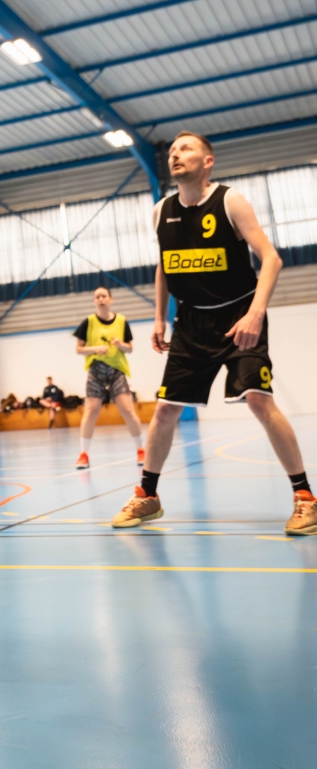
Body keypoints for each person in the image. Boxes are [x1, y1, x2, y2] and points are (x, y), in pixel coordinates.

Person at [112, 131, 317, 535]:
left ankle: (305, 498)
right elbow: (165, 265)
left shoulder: (229, 201)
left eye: (185, 149)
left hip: (239, 315)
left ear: (208, 161)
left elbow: (272, 259)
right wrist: (159, 317)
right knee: (166, 409)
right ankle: (148, 495)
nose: (175, 155)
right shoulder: (160, 211)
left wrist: (256, 314)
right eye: (172, 151)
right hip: (190, 323)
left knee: (259, 400)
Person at [73, 286, 144, 470]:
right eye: (97, 297)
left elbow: (130, 348)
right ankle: (83, 454)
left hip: (116, 370)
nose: (101, 299)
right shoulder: (88, 322)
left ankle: (141, 449)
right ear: (94, 301)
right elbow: (78, 349)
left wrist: (121, 345)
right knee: (91, 411)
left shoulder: (121, 321)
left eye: (104, 296)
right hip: (96, 370)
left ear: (110, 299)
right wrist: (95, 349)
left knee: (127, 409)